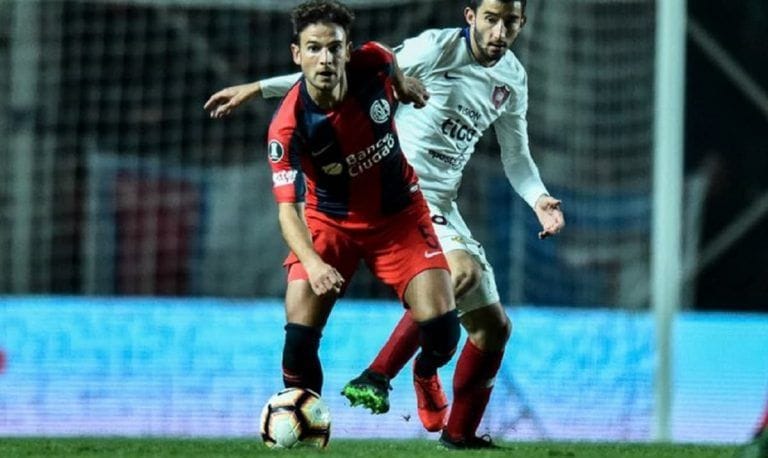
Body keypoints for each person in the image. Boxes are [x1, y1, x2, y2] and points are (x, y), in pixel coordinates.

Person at [205, 0, 565, 449]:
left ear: (521, 24)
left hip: (425, 202)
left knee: (494, 328)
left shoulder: (512, 77)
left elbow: (515, 154)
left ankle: (457, 431)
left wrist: (539, 199)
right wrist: (259, 88)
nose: (499, 31)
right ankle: (374, 378)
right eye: (491, 18)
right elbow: (328, 77)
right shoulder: (434, 48)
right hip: (372, 202)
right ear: (470, 16)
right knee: (459, 276)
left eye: (509, 21)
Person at [260, 0, 461, 421]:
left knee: (443, 332)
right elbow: (288, 213)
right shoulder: (288, 127)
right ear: (297, 54)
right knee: (297, 343)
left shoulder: (372, 62)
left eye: (334, 47)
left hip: (400, 216)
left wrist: (403, 85)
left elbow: (388, 58)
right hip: (330, 222)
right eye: (313, 48)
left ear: (348, 50)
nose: (325, 58)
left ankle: (424, 372)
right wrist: (313, 264)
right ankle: (307, 425)